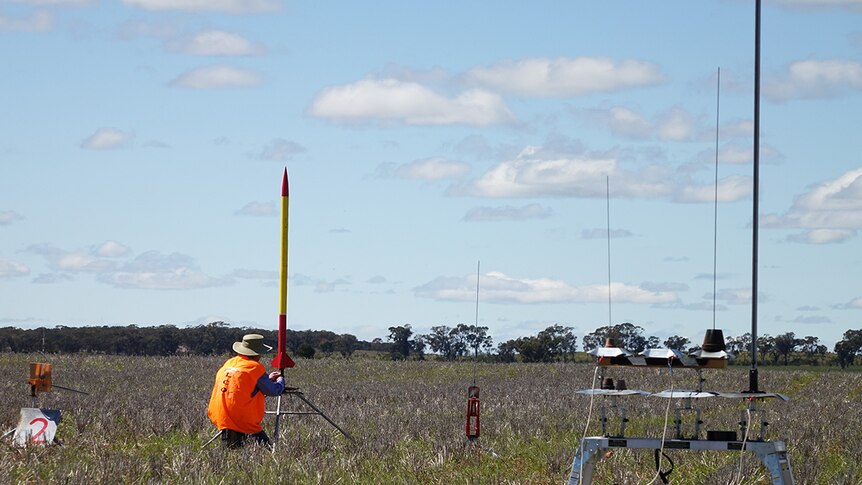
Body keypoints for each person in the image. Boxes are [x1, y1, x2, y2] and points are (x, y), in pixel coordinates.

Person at [208, 333, 285, 448]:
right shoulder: (254, 367)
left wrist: (267, 379)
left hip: (219, 414)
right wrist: (281, 380)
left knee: (232, 453)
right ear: (257, 353)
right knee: (268, 452)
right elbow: (273, 390)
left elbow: (243, 383)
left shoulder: (230, 363)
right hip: (240, 417)